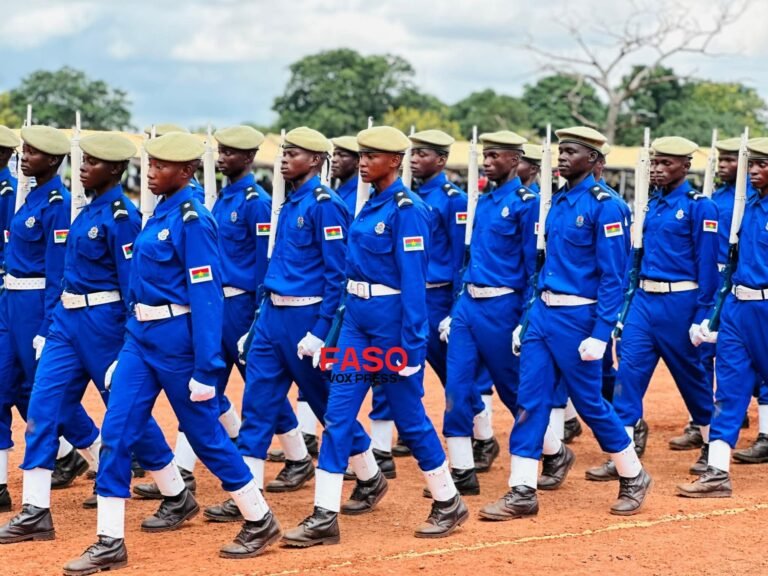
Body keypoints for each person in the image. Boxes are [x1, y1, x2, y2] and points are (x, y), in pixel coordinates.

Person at [63, 132, 281, 575]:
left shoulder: (193, 219)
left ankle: (259, 518)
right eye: (151, 164)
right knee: (118, 432)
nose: (152, 173)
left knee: (206, 436)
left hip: (178, 343)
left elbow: (207, 297)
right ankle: (109, 540)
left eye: (162, 166)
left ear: (185, 172)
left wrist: (206, 366)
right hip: (140, 339)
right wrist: (128, 344)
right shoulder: (160, 210)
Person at [281, 126, 467, 547]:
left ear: (395, 161)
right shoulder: (367, 206)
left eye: (372, 156)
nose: (363, 162)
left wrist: (413, 346)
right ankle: (324, 515)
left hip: (389, 326)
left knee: (409, 417)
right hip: (357, 323)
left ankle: (447, 499)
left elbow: (415, 284)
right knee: (338, 415)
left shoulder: (408, 209)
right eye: (361, 155)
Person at [0, 132, 177, 544]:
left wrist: (131, 337)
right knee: (44, 405)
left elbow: (132, 283)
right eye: (84, 161)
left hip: (106, 322)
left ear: (114, 169)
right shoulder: (84, 210)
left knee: (125, 410)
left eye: (93, 162)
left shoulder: (121, 216)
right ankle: (35, 511)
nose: (84, 167)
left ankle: (174, 489)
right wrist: (51, 325)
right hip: (67, 318)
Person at [481, 126, 650, 520]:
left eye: (571, 151)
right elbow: (543, 266)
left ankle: (633, 473)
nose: (561, 157)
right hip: (544, 314)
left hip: (580, 318)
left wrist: (600, 333)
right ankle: (521, 490)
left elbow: (614, 277)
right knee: (529, 401)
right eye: (560, 150)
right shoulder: (555, 202)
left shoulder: (606, 206)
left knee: (590, 403)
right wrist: (527, 319)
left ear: (592, 159)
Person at [204, 126, 371, 523]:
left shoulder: (324, 204)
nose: (283, 159)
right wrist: (257, 322)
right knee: (258, 405)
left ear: (315, 160)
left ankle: (368, 474)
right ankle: (248, 494)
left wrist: (321, 331)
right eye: (282, 152)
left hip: (306, 318)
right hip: (272, 316)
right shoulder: (289, 202)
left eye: (292, 153)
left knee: (327, 404)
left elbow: (337, 275)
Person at [592, 136, 718, 482]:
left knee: (691, 377)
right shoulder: (650, 205)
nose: (659, 170)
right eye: (656, 163)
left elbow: (707, 265)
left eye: (666, 164)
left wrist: (703, 314)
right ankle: (624, 455)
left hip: (681, 302)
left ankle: (711, 444)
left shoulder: (699, 206)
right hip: (644, 301)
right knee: (627, 376)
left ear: (685, 166)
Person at [0, 126, 101, 512]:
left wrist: (46, 324)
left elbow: (56, 271)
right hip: (11, 301)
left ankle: (97, 457)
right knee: (8, 387)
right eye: (23, 150)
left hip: (35, 305)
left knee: (48, 392)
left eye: (32, 152)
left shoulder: (56, 202)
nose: (23, 156)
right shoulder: (27, 196)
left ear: (54, 159)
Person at [438, 130, 539, 496]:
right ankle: (462, 469)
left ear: (515, 160)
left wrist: (525, 319)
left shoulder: (527, 203)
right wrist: (454, 309)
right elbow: (468, 259)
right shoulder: (481, 201)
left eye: (495, 156)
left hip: (504, 306)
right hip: (469, 304)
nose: (488, 161)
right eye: (486, 155)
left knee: (514, 389)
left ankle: (552, 451)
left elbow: (533, 268)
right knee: (457, 388)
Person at [676, 137, 768, 498]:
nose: (755, 171)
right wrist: (714, 316)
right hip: (738, 309)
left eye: (763, 165)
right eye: (754, 164)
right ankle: (717, 471)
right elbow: (731, 267)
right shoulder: (749, 207)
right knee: (728, 391)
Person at [330, 136, 360, 214]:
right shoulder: (333, 192)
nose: (334, 160)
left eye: (342, 155)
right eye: (334, 155)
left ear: (358, 162)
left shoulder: (365, 196)